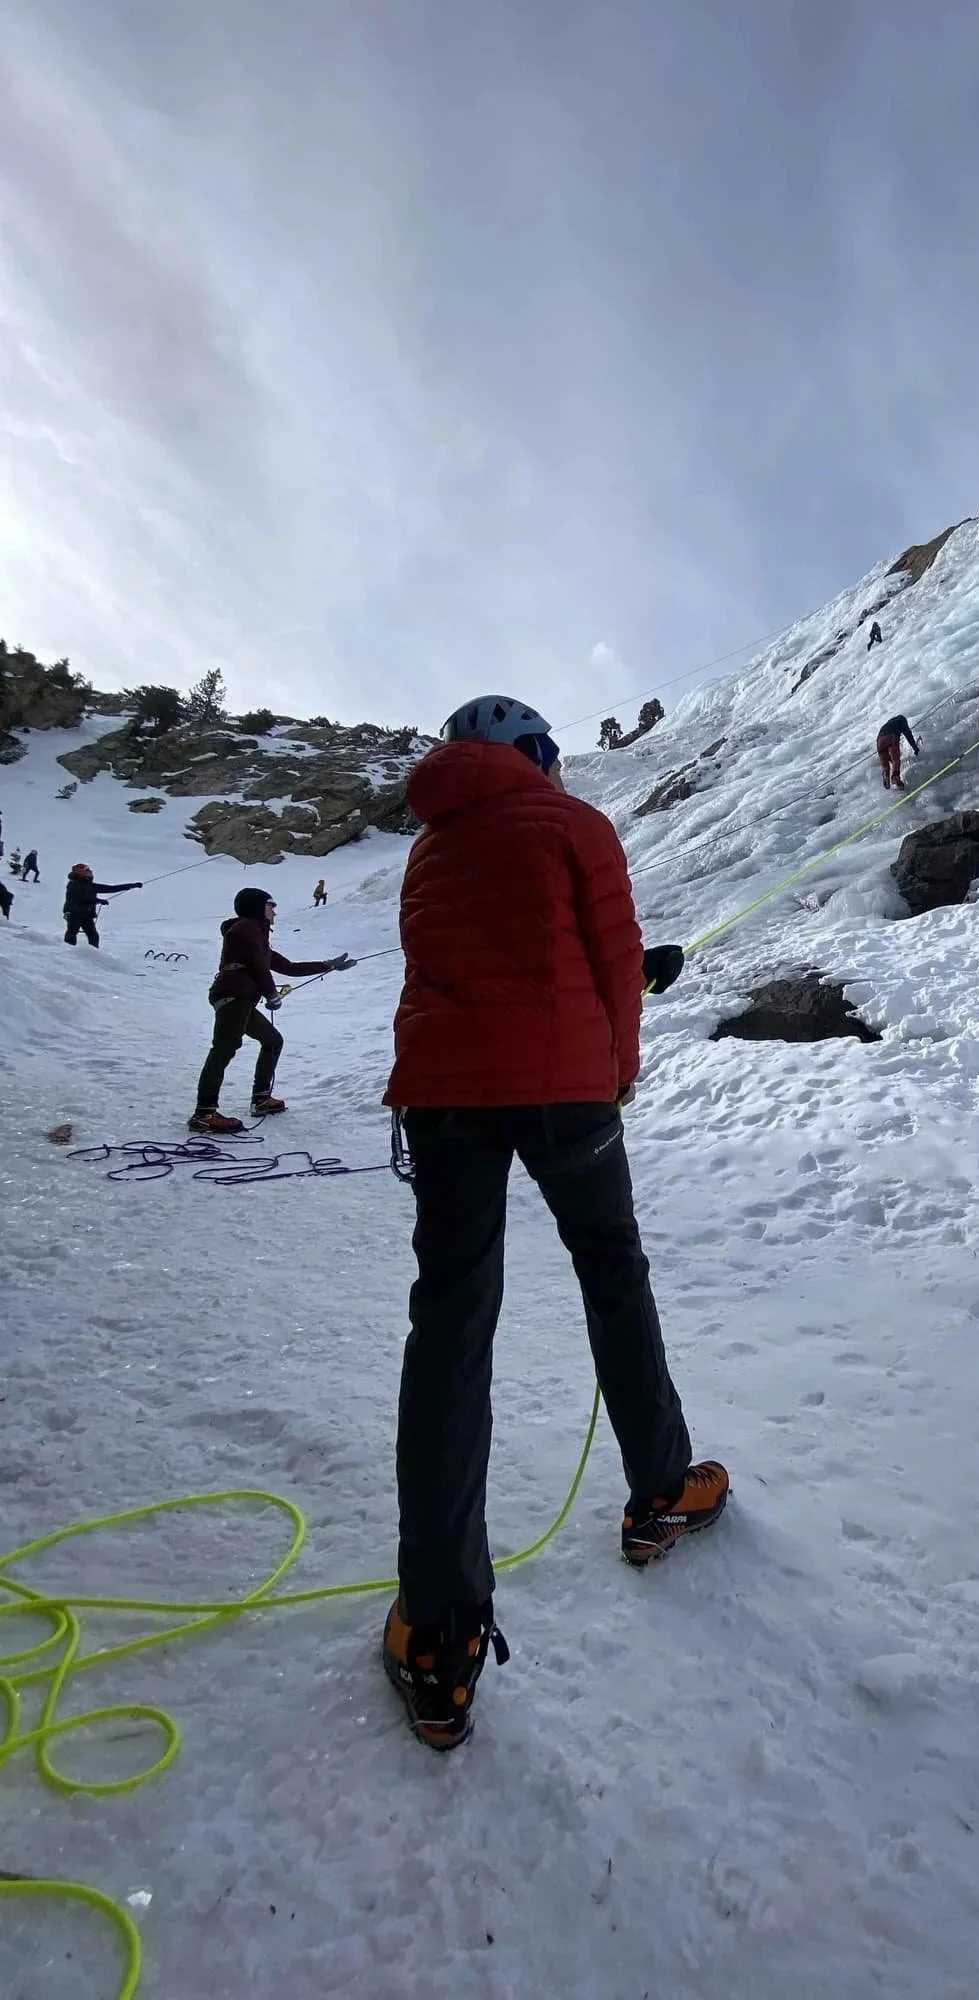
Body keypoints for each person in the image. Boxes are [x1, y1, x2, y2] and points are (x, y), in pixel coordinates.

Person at [380, 692, 725, 1751]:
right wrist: (615, 1071)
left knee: (451, 1322)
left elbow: (458, 972)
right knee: (613, 1273)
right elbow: (613, 960)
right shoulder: (576, 825)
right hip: (565, 1091)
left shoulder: (429, 848)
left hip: (444, 1097)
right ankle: (662, 1488)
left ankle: (438, 1630)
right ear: (534, 754)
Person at [188, 887, 355, 1133]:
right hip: (234, 997)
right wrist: (272, 994)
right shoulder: (247, 930)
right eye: (271, 905)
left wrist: (329, 965)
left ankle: (261, 1099)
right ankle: (204, 1114)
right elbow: (258, 968)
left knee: (272, 1040)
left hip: (239, 999)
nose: (275, 910)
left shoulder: (256, 936)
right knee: (223, 1049)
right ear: (257, 907)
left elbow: (287, 966)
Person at [63, 863, 140, 946]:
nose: (90, 872)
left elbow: (111, 888)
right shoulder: (73, 884)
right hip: (74, 913)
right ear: (79, 872)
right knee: (72, 932)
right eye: (86, 870)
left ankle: (93, 954)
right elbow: (81, 898)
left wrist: (132, 885)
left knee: (93, 936)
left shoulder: (90, 885)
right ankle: (68, 953)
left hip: (86, 915)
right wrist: (98, 900)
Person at [875, 713, 920, 790]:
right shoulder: (901, 720)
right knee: (895, 758)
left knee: (885, 763)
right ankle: (895, 776)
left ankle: (886, 774)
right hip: (890, 737)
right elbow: (908, 734)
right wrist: (915, 747)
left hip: (879, 741)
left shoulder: (890, 722)